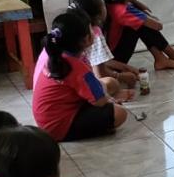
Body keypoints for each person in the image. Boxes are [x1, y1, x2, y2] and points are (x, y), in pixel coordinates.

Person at [32, 12, 128, 142]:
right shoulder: (76, 66)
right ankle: (99, 127)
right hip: (59, 126)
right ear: (87, 39)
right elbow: (99, 101)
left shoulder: (57, 55)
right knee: (120, 113)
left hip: (50, 119)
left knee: (111, 83)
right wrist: (110, 100)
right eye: (91, 29)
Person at [67, 0, 140, 96]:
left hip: (66, 83)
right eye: (102, 3)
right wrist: (121, 77)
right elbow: (99, 75)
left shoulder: (68, 29)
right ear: (98, 12)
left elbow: (96, 61)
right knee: (112, 83)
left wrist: (125, 67)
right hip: (79, 88)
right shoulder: (94, 33)